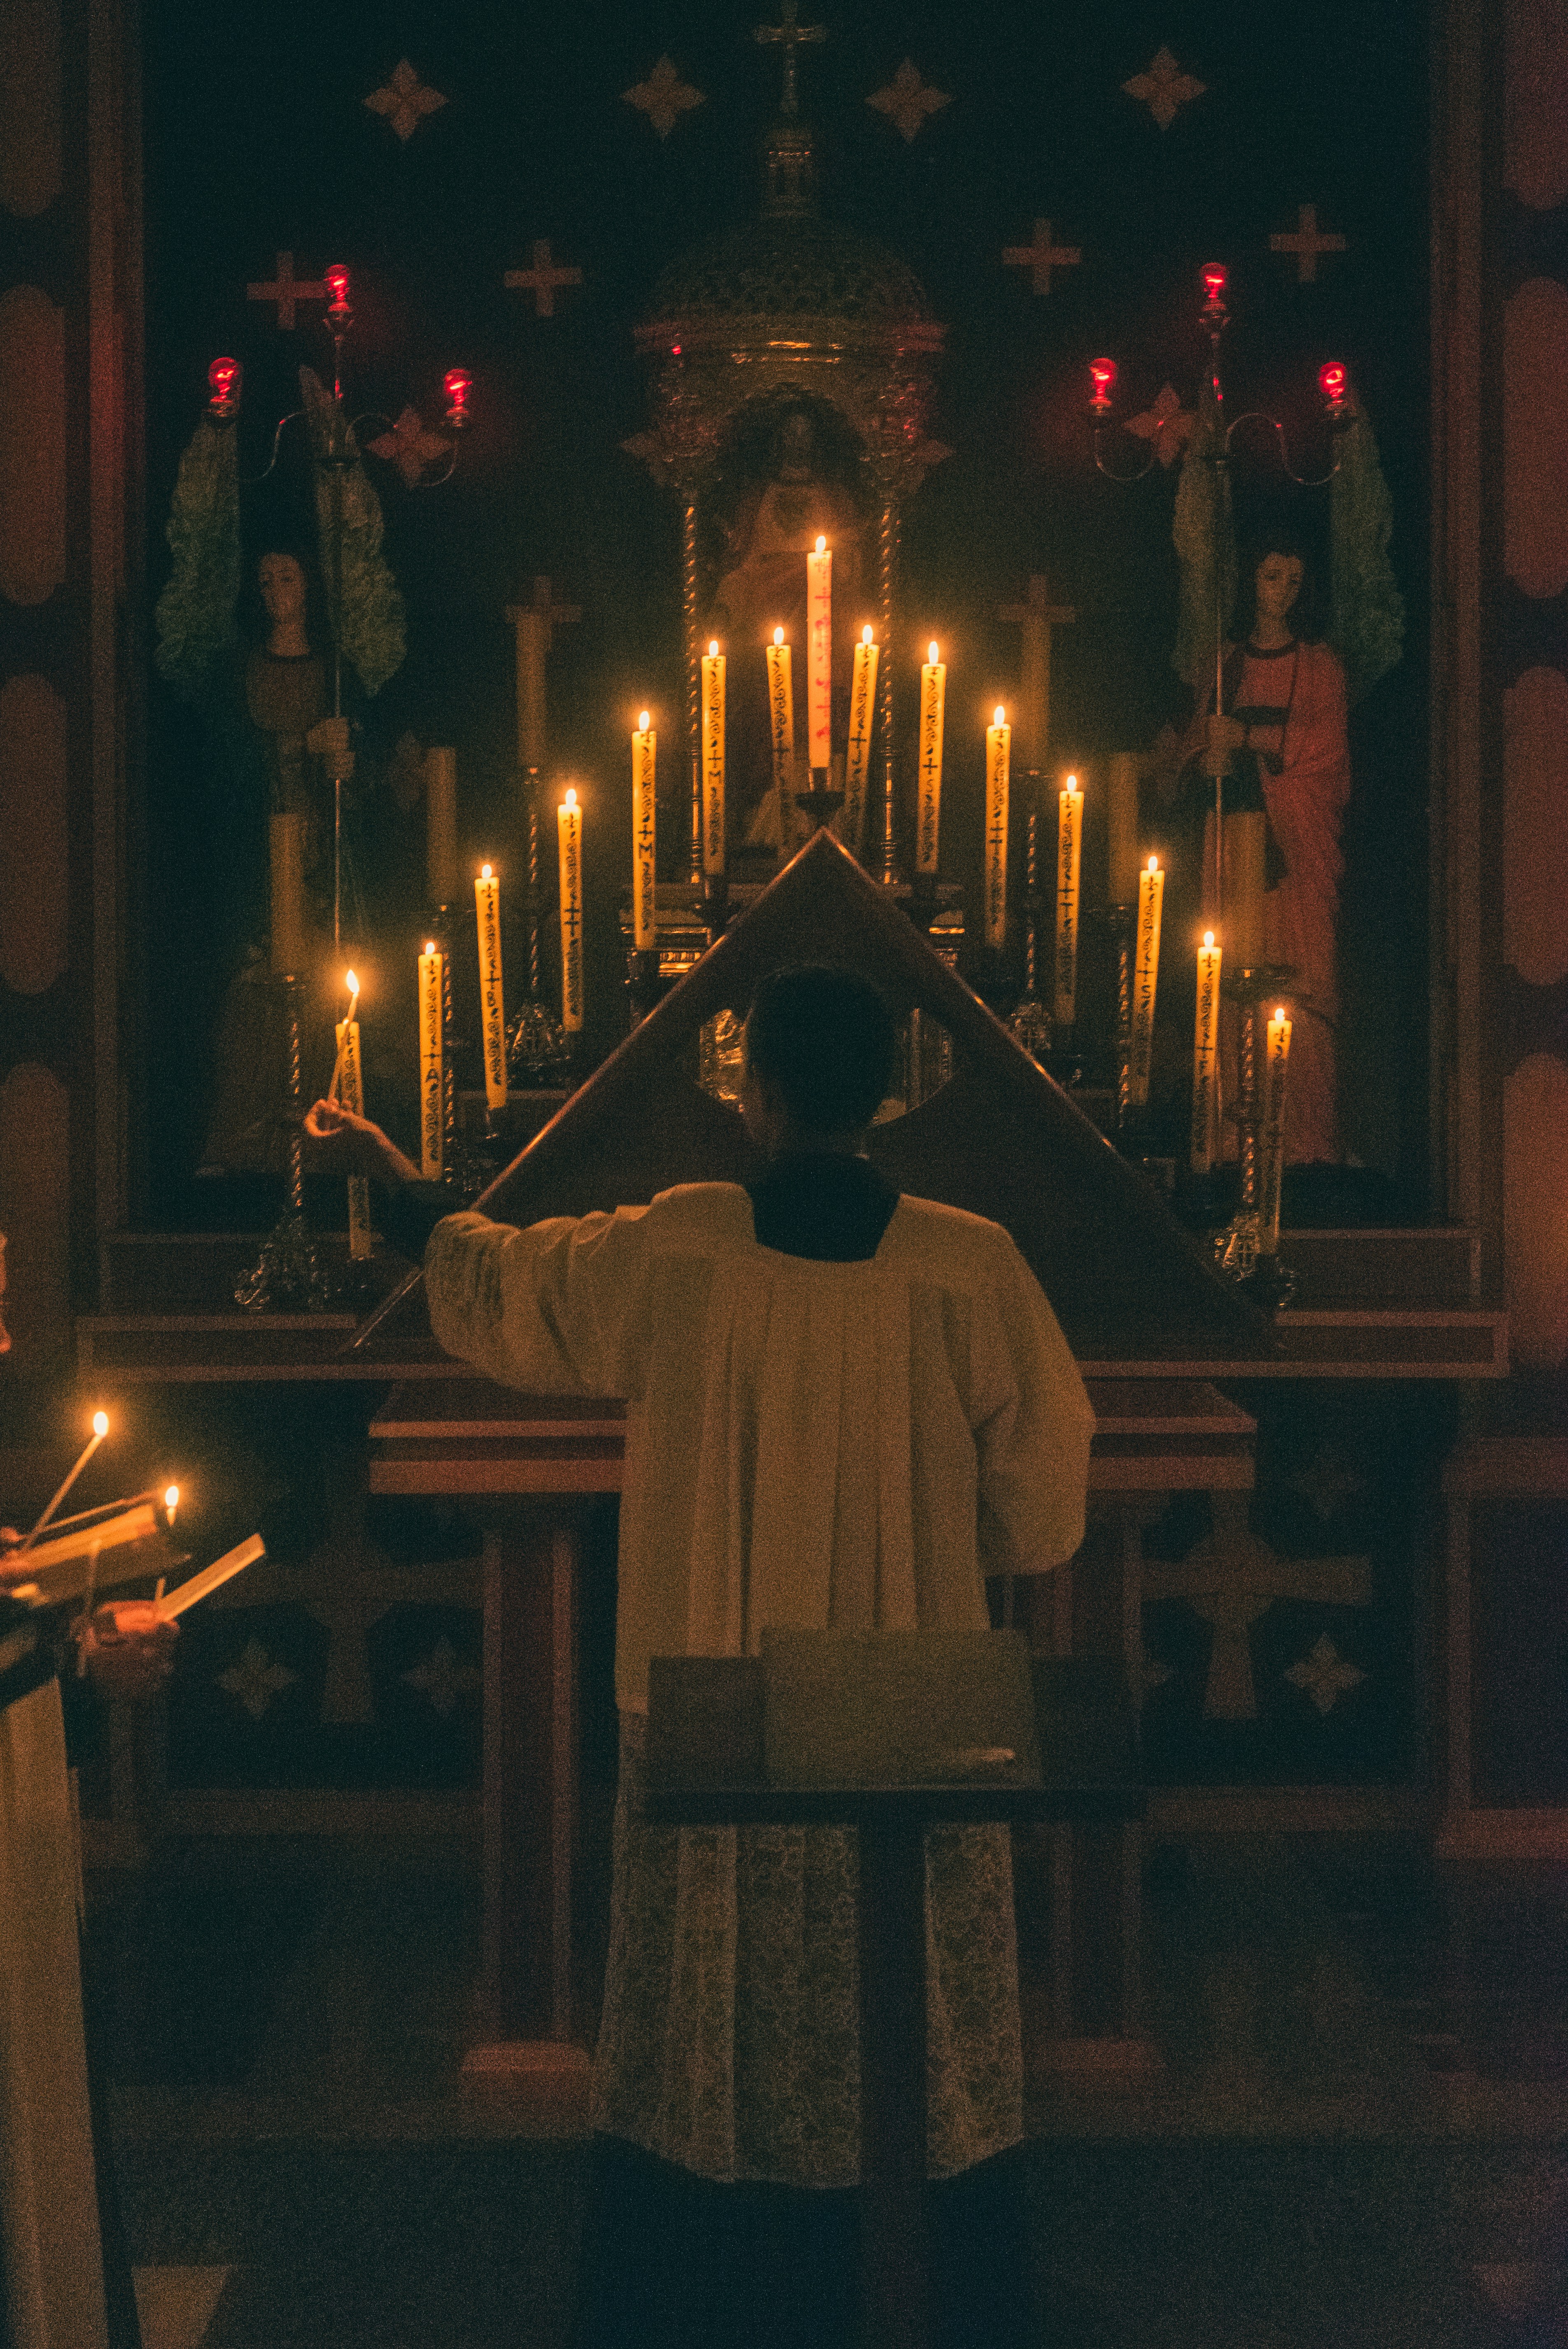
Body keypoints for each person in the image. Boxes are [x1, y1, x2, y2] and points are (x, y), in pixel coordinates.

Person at [305, 965, 1094, 2346]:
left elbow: (501, 1281)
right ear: (886, 1095)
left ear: (756, 1091)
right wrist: (931, 1523)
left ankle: (713, 2286)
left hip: (712, 1709)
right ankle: (926, 2278)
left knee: (709, 2026)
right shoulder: (970, 1263)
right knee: (916, 2021)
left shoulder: (677, 1247)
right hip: (911, 1714)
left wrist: (397, 1178)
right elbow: (1040, 1507)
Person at [1178, 540, 1351, 1164]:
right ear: (1250, 580)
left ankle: (1304, 1138)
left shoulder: (1322, 667)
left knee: (1303, 981)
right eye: (1272, 574)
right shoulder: (1223, 664)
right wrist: (1207, 758)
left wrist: (1249, 736)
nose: (1282, 590)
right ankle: (1231, 1131)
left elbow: (1329, 756)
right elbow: (1191, 747)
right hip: (1235, 841)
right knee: (1227, 974)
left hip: (1298, 851)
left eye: (1295, 578)